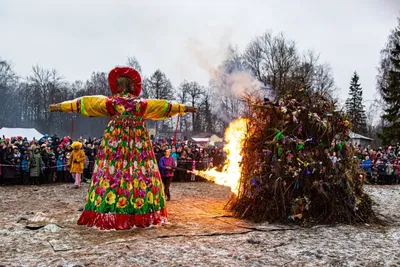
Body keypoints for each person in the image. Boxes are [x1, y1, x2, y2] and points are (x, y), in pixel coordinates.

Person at [49, 66, 197, 230]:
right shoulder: (140, 105)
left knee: (113, 171)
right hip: (138, 146)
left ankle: (112, 208)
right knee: (139, 172)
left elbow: (86, 103)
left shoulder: (112, 103)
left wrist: (61, 106)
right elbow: (163, 106)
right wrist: (184, 108)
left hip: (115, 145)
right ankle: (140, 210)